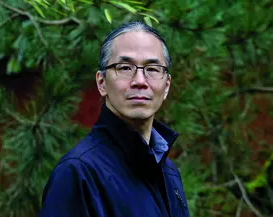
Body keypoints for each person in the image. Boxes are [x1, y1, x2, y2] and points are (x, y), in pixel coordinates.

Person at [38, 21, 190, 217]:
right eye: (125, 68)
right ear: (101, 83)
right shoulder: (78, 173)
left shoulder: (168, 173)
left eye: (152, 69)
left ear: (166, 85)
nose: (140, 82)